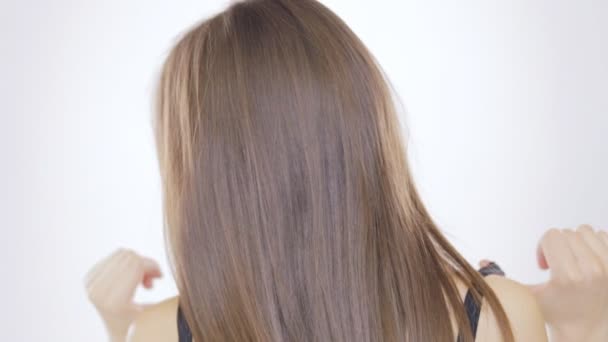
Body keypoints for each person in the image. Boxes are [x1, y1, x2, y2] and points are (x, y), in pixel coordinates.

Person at [83, 0, 606, 341]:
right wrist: (587, 326)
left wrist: (122, 328)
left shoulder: (160, 331)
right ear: (366, 127)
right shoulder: (495, 319)